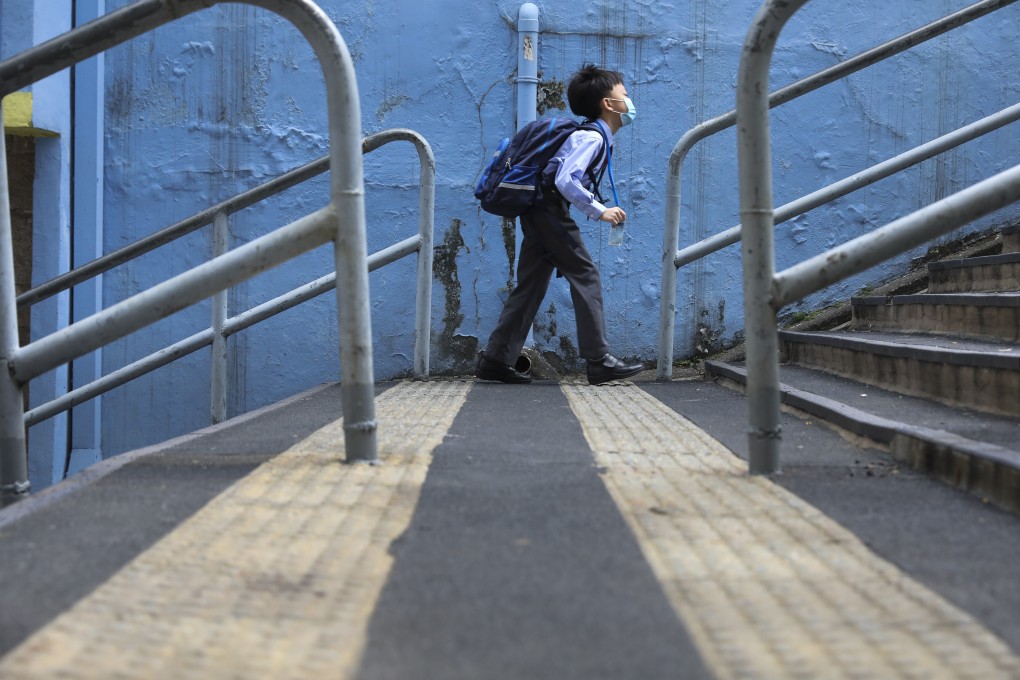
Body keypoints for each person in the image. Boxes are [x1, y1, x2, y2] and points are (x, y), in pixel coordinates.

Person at [475, 64, 644, 386]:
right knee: (585, 274)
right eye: (625, 95)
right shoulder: (591, 137)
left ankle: (496, 359)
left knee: (531, 285)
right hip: (549, 209)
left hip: (540, 210)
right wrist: (599, 211)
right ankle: (599, 359)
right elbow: (565, 178)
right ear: (608, 104)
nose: (629, 102)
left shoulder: (592, 136)